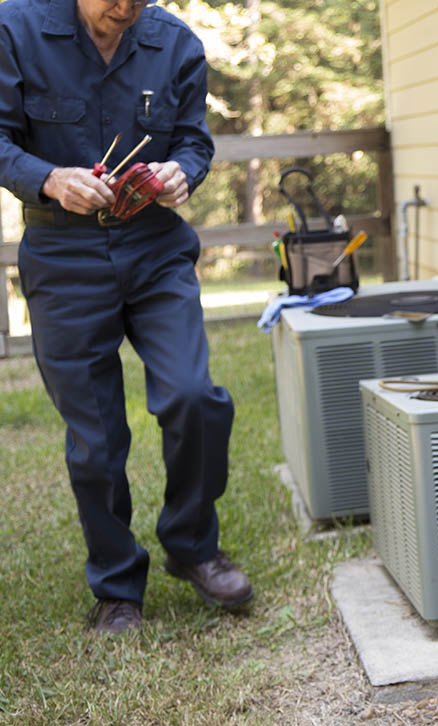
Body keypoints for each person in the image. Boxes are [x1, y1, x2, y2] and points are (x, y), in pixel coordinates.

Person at [0, 0, 252, 633]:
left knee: (194, 395)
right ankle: (117, 587)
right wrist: (51, 177)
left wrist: (182, 171)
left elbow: (194, 139)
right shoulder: (15, 28)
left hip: (155, 246)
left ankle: (192, 545)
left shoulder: (175, 42)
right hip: (62, 253)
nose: (125, 8)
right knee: (97, 435)